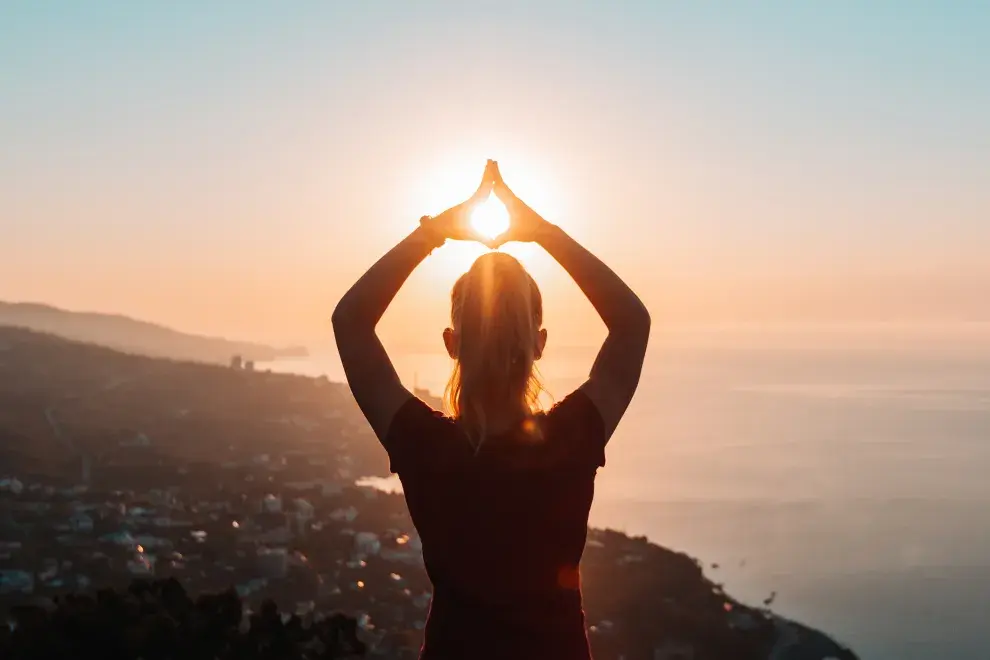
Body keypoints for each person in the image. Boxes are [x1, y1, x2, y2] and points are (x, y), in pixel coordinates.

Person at [332, 160, 651, 659]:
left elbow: (350, 322)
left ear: (451, 343)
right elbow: (632, 324)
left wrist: (434, 233)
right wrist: (544, 233)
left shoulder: (425, 447)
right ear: (540, 344)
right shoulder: (571, 439)